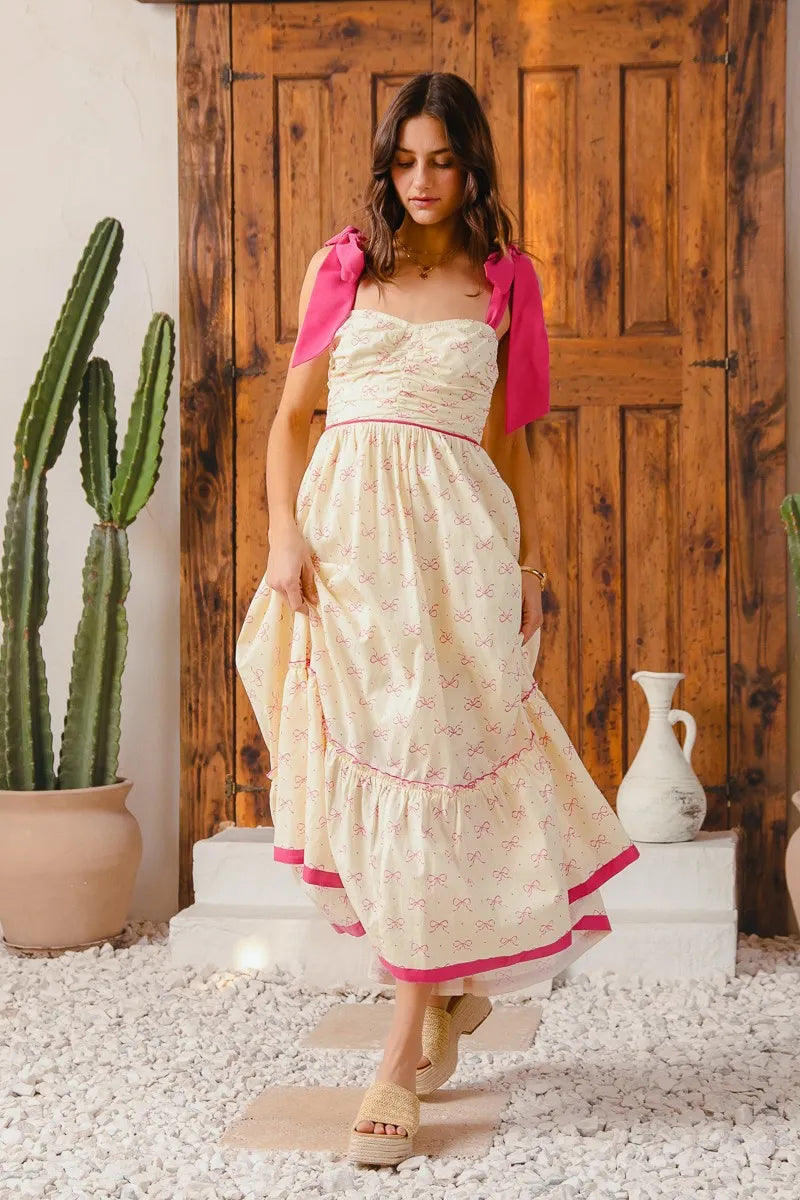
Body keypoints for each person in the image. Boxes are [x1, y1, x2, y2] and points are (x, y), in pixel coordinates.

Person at [235, 71, 640, 1167]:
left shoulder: (506, 279)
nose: (422, 181)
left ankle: (398, 1048)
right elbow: (289, 421)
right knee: (377, 767)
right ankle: (441, 990)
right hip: (348, 553)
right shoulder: (343, 264)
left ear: (473, 166)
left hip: (458, 545)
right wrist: (284, 535)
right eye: (405, 159)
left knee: (447, 757)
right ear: (386, 162)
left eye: (443, 160)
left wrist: (528, 557)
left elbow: (513, 436)